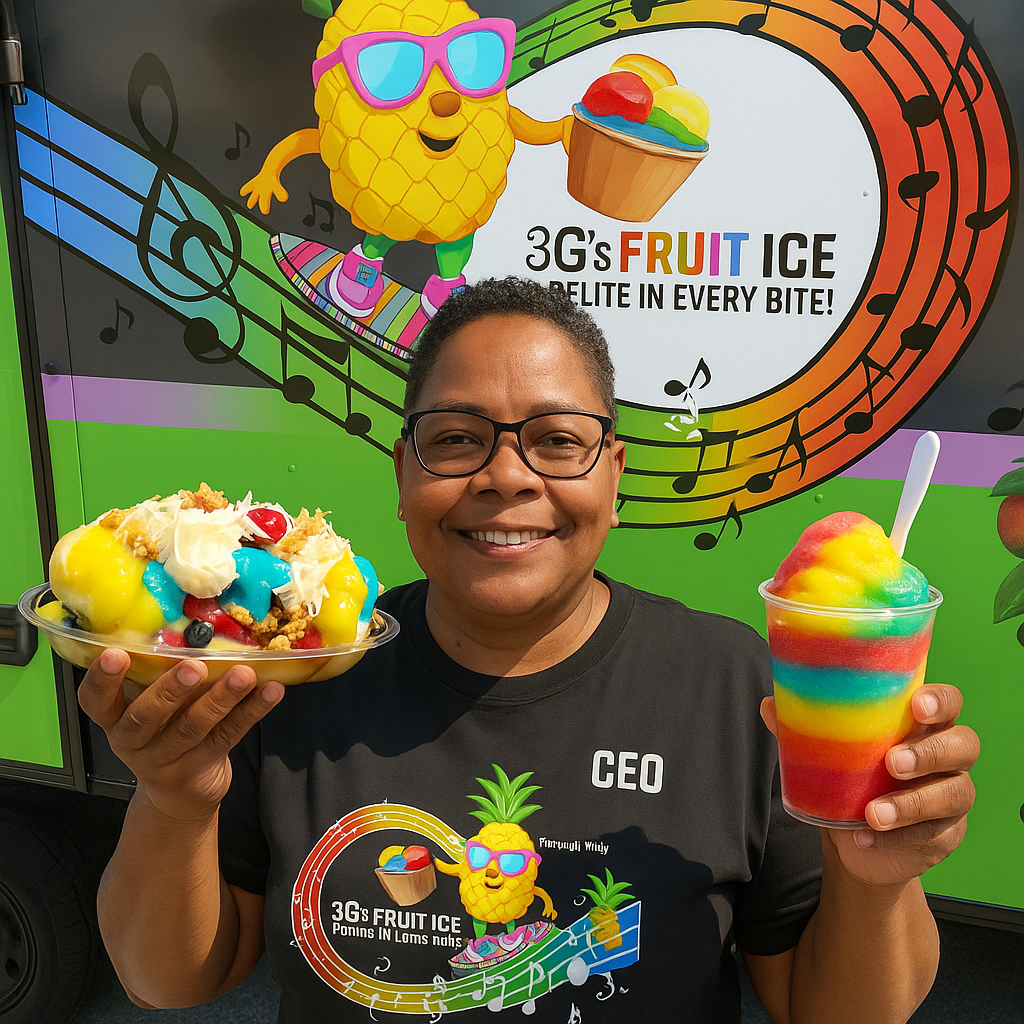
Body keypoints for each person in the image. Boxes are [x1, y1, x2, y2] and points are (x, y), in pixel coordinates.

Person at [79, 277, 979, 1023]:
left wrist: (873, 879)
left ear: (616, 480)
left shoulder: (731, 685)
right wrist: (171, 796)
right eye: (457, 440)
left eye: (557, 441)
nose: (507, 476)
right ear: (404, 475)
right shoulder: (306, 675)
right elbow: (168, 980)